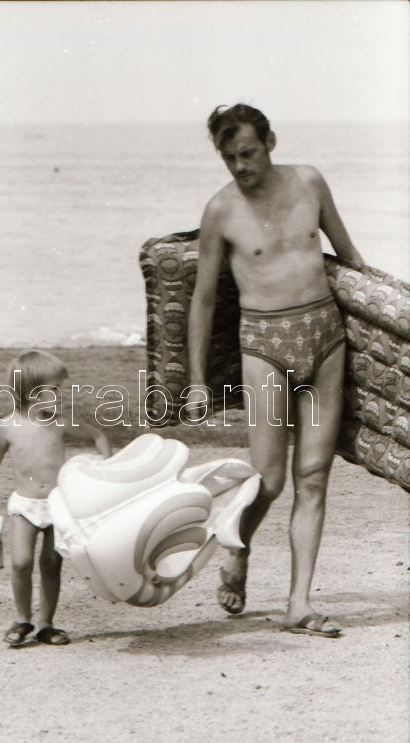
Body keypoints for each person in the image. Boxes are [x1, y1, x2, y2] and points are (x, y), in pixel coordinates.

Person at [188, 103, 364, 637]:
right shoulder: (221, 211)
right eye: (230, 158)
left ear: (270, 142)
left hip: (324, 338)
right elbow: (202, 301)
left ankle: (298, 604)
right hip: (264, 345)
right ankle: (237, 547)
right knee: (267, 480)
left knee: (313, 477)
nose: (240, 166)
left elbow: (349, 256)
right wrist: (196, 382)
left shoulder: (309, 182)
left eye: (248, 153)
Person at [0, 349, 111, 647]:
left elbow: (97, 435)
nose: (61, 396)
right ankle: (23, 619)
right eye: (55, 390)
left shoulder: (60, 423)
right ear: (30, 393)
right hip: (25, 506)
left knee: (51, 563)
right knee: (21, 562)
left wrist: (107, 465)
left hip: (57, 505)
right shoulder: (7, 427)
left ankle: (46, 624)